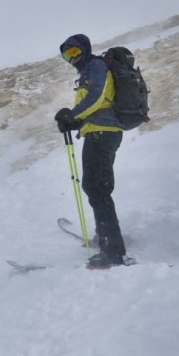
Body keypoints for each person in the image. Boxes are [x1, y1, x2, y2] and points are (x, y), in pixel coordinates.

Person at [55, 34, 127, 268]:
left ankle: (113, 251)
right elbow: (97, 105)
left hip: (102, 132)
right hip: (100, 130)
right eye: (67, 55)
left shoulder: (96, 66)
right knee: (96, 186)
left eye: (75, 52)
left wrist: (73, 114)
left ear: (85, 50)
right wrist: (75, 121)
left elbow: (97, 96)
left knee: (97, 188)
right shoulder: (88, 71)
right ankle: (104, 236)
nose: (72, 59)